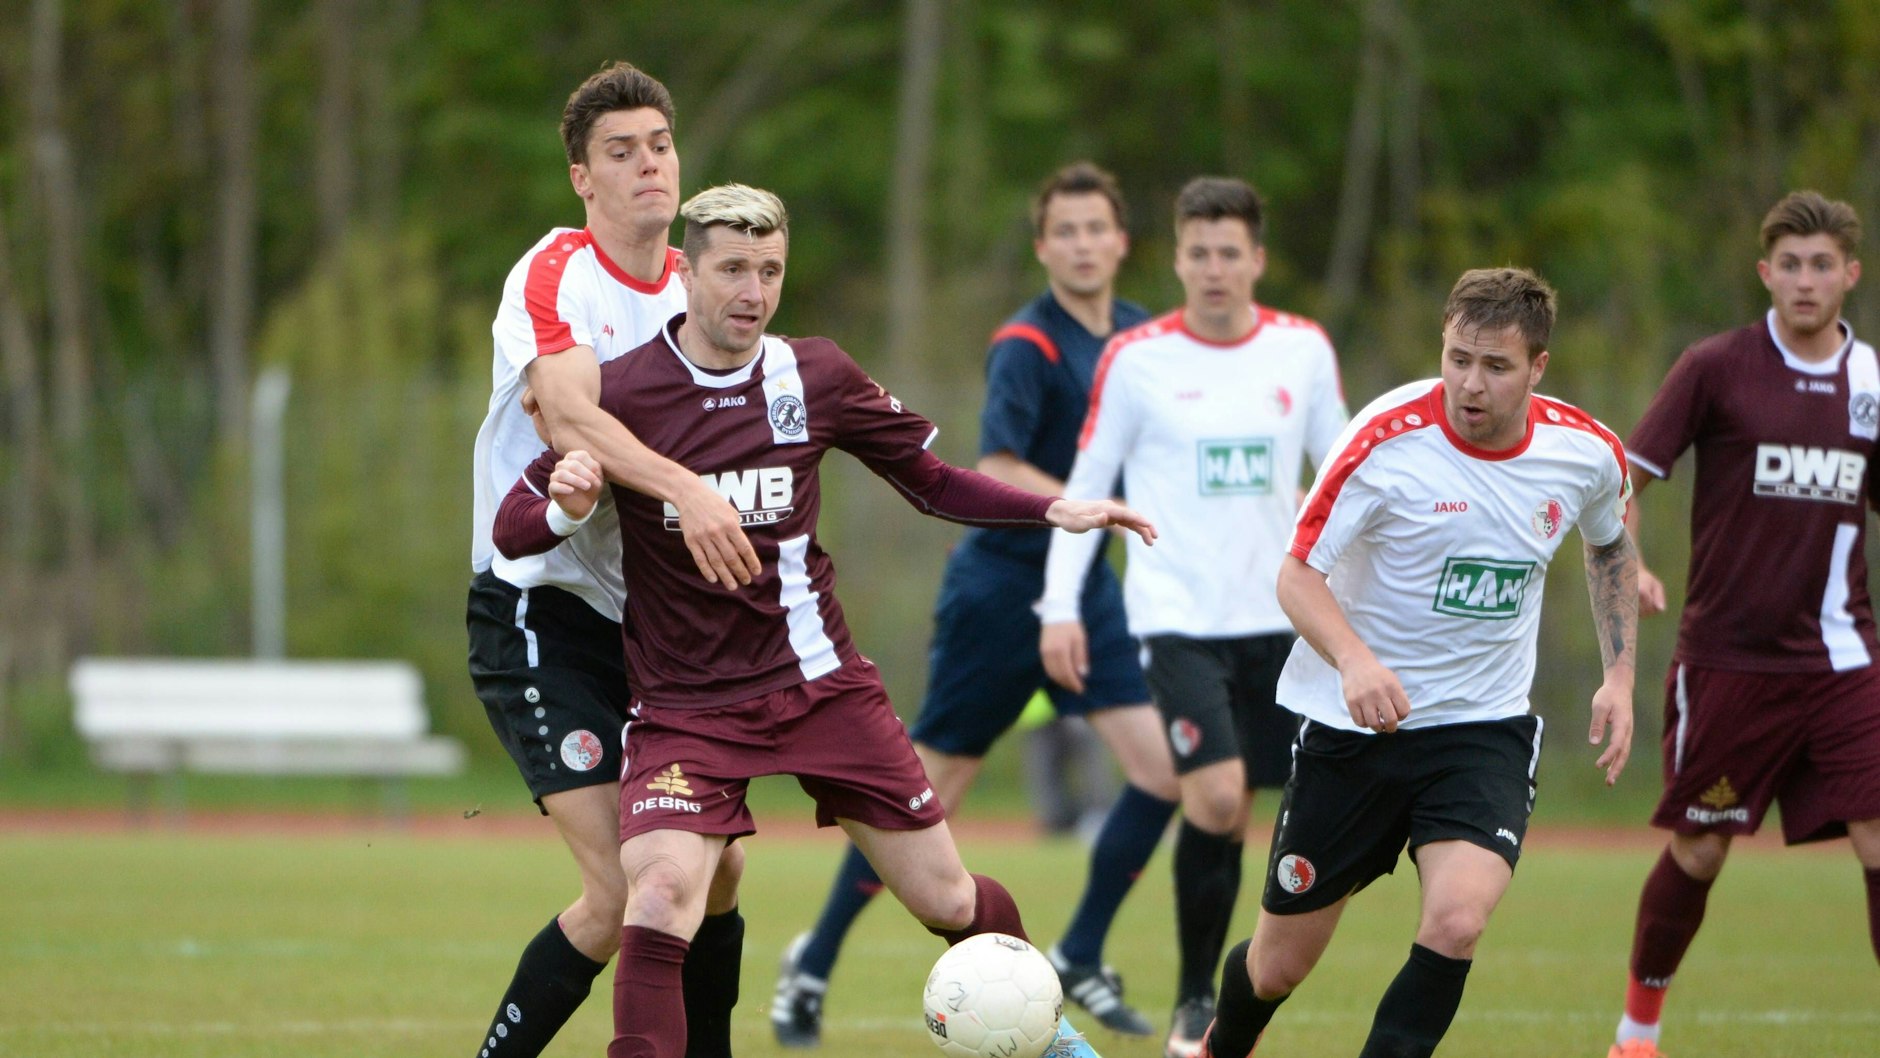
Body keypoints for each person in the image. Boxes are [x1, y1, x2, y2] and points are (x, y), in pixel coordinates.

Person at [493, 183, 1153, 1058]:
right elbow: (513, 528)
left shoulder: (815, 374)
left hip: (819, 688)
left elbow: (933, 480)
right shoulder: (622, 394)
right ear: (686, 270)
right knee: (655, 898)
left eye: (769, 271)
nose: (752, 292)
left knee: (951, 901)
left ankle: (1051, 1033)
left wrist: (1053, 510)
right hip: (687, 708)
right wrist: (569, 502)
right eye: (732, 269)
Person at [769, 162, 1181, 1047]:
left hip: (1088, 589)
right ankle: (812, 961)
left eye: (1094, 228)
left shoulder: (1146, 341)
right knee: (925, 800)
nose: (1079, 244)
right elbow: (993, 466)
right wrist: (1092, 494)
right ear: (1042, 247)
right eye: (1062, 230)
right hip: (1000, 593)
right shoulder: (1026, 345)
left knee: (1158, 771)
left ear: (1121, 242)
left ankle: (1078, 949)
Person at [1195, 267, 1638, 1058]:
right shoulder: (1383, 438)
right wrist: (1355, 659)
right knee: (1276, 966)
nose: (1470, 383)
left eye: (1496, 366)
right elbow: (1297, 575)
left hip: (1482, 728)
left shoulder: (1587, 452)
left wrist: (1620, 677)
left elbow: (1609, 542)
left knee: (1458, 921)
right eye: (1458, 357)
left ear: (1538, 368)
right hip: (1350, 731)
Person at [466, 61, 749, 1058]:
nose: (647, 168)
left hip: (661, 629)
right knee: (627, 885)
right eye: (620, 153)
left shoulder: (704, 283)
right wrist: (686, 487)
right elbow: (567, 408)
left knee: (712, 876)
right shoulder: (555, 272)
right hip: (540, 610)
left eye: (659, 146)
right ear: (582, 178)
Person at [1037, 175, 1347, 1058]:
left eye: (1230, 253)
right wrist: (1059, 606)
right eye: (1198, 252)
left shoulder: (1302, 352)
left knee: (1296, 814)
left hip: (1281, 624)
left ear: (1257, 259)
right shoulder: (1137, 360)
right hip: (1173, 618)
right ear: (1176, 259)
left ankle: (1252, 983)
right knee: (1213, 798)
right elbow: (1087, 490)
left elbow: (1349, 477)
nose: (1214, 269)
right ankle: (1193, 1006)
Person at [1605, 191, 1880, 1058]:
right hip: (1729, 663)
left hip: (1845, 660)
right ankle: (1636, 1032)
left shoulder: (1872, 382)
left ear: (1850, 275)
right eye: (1790, 265)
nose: (1806, 280)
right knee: (1700, 853)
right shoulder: (1716, 368)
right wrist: (1632, 562)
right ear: (1766, 273)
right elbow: (1621, 486)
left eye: (1821, 264)